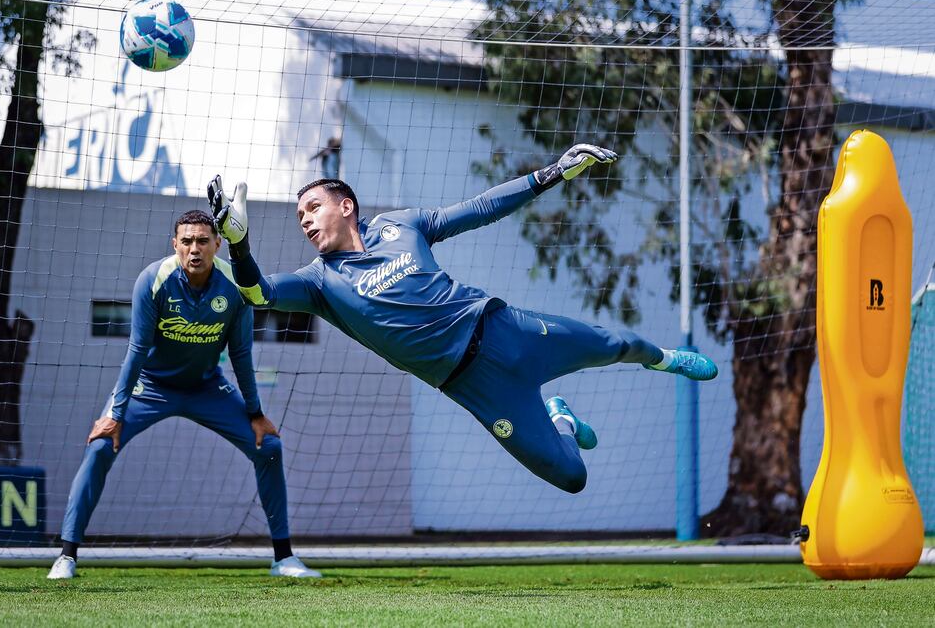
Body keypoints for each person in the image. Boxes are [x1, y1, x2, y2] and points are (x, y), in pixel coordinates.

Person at [206, 145, 718, 494]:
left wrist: (551, 173)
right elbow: (257, 292)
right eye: (300, 217)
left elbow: (478, 209)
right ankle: (559, 416)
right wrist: (238, 240)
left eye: (313, 208)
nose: (306, 220)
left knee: (613, 342)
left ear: (347, 206)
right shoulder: (318, 282)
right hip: (473, 387)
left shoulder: (400, 226)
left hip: (505, 330)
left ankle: (666, 358)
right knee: (571, 477)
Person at [48, 210, 319, 579]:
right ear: (175, 244)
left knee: (268, 447)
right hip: (151, 386)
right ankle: (67, 557)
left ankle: (284, 558)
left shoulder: (235, 286)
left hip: (207, 387)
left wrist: (255, 413)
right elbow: (137, 349)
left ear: (218, 244)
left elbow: (240, 354)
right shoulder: (153, 281)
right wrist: (116, 412)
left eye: (203, 241)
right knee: (99, 446)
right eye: (187, 241)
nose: (195, 249)